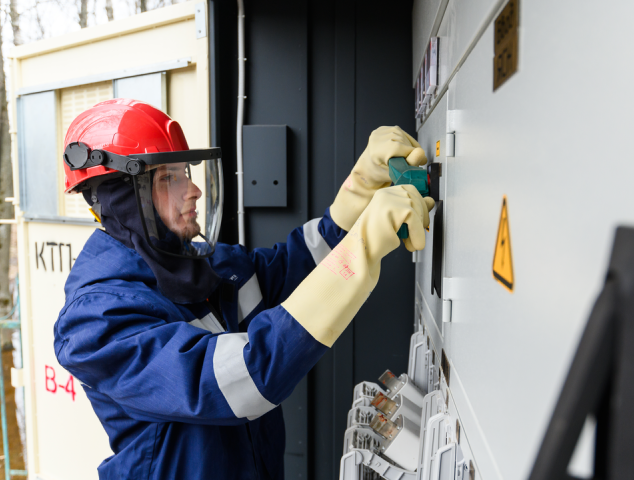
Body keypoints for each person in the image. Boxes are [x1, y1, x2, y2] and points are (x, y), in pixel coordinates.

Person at [54, 98, 434, 479]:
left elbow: (293, 267)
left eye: (185, 171)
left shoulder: (208, 266)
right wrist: (361, 249)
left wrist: (357, 196)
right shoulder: (97, 323)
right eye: (168, 178)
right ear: (123, 201)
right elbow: (244, 378)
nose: (194, 191)